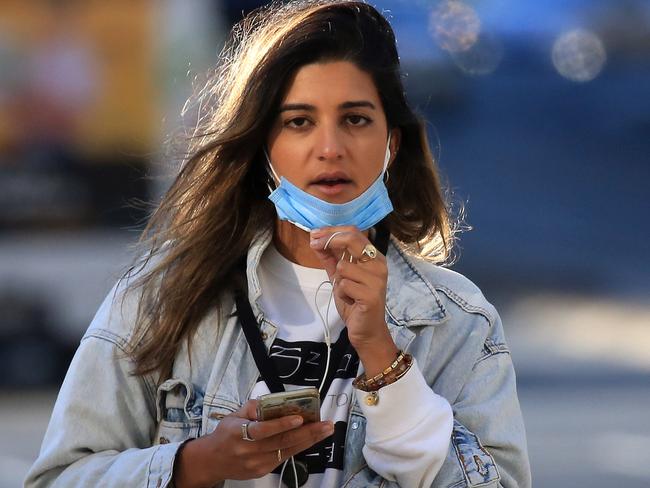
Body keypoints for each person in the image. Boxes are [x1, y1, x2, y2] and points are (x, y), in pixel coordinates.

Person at [25, 1, 531, 487]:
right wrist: (197, 463)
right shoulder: (159, 299)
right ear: (261, 148)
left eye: (355, 119)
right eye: (299, 122)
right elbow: (60, 477)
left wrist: (383, 356)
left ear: (391, 145)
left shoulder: (458, 321)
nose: (329, 149)